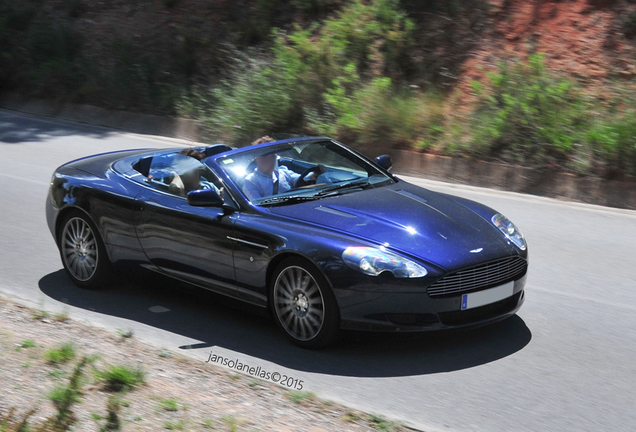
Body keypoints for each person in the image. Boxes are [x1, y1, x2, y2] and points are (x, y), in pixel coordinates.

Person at [243, 136, 319, 201]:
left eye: (272, 155)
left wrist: (315, 175)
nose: (270, 159)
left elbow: (302, 179)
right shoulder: (250, 182)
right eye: (265, 155)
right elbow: (257, 208)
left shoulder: (284, 172)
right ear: (256, 158)